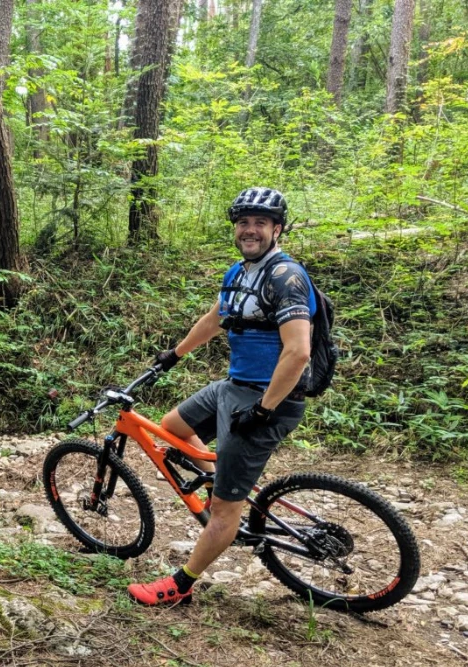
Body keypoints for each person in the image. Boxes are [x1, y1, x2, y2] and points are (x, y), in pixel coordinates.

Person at [127, 187, 316, 606]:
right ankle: (225, 478)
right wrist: (172, 356)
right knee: (174, 425)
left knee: (223, 508)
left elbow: (299, 351)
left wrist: (264, 410)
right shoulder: (239, 273)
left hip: (270, 399)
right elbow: (215, 319)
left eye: (260, 223)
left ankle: (182, 584)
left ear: (276, 229)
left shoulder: (286, 278)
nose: (250, 230)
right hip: (233, 387)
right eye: (244, 223)